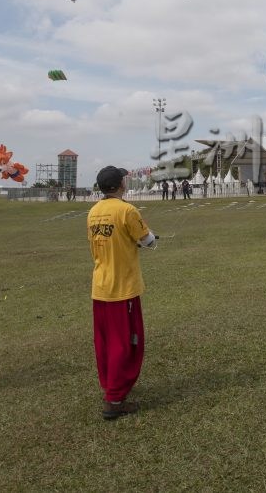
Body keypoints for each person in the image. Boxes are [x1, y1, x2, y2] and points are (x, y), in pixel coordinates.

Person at [87, 166, 157, 420]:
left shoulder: (93, 212)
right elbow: (148, 240)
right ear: (120, 184)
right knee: (124, 344)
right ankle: (114, 399)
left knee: (105, 344)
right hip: (122, 289)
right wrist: (149, 240)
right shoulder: (127, 209)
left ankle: (111, 386)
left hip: (100, 287)